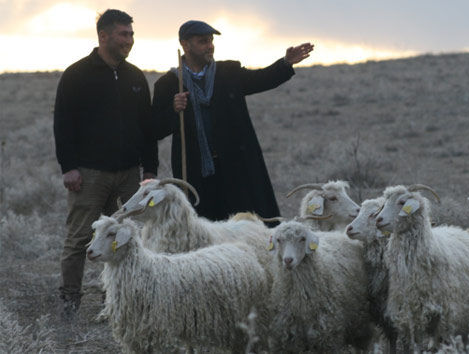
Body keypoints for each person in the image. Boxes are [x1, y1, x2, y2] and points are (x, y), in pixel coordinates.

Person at [53, 9, 158, 320]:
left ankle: (115, 302)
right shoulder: (77, 74)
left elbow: (147, 127)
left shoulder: (135, 76)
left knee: (126, 239)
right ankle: (69, 303)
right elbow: (63, 124)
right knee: (79, 238)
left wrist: (150, 170)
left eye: (131, 34)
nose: (129, 40)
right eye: (123, 34)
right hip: (89, 174)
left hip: (129, 175)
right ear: (103, 36)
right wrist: (69, 167)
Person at [152, 20, 313, 221]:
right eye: (203, 41)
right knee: (206, 230)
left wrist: (285, 63)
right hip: (196, 173)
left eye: (211, 40)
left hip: (237, 167)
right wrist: (173, 110)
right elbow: (155, 129)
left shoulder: (228, 72)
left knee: (246, 225)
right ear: (185, 45)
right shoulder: (169, 84)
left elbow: (261, 79)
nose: (210, 45)